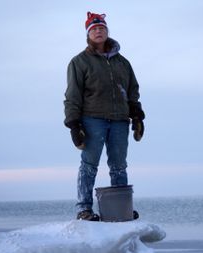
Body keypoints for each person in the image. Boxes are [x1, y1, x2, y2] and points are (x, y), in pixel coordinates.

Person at [64, 12, 145, 221]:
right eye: (94, 29)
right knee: (89, 164)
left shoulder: (123, 62)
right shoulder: (79, 62)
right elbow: (72, 94)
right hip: (92, 119)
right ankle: (84, 209)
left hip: (119, 120)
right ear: (88, 35)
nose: (98, 31)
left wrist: (136, 115)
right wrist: (74, 124)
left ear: (107, 32)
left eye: (102, 28)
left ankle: (120, 210)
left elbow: (132, 90)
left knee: (119, 165)